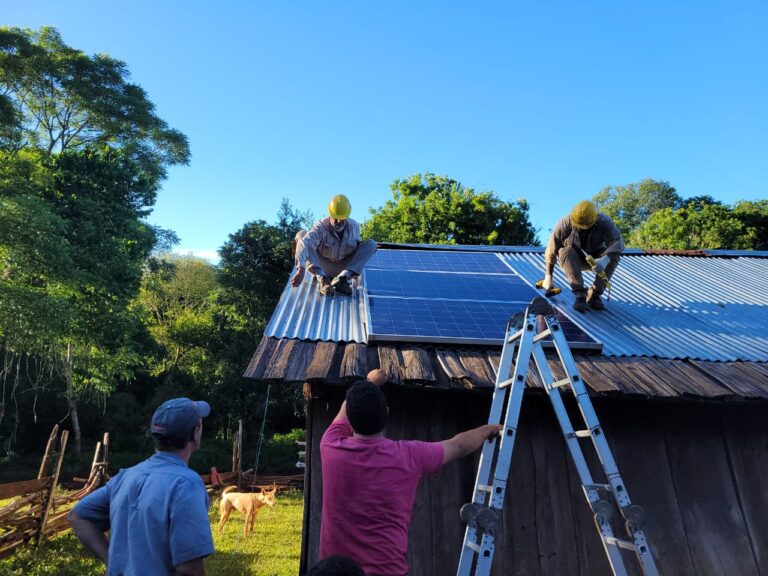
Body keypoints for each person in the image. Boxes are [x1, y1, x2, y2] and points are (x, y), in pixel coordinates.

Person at [319, 380, 503, 576]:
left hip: (335, 572)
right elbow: (458, 446)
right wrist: (488, 429)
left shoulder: (330, 445)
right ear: (387, 414)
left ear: (350, 419)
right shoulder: (409, 455)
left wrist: (369, 382)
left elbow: (345, 407)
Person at [69, 398, 214, 576]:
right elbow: (188, 569)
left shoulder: (125, 476)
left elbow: (77, 515)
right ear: (195, 432)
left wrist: (111, 560)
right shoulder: (186, 484)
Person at [542, 200, 625, 312]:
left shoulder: (604, 222)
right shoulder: (564, 224)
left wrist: (605, 260)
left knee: (614, 255)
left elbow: (618, 242)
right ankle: (580, 294)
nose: (581, 228)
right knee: (565, 251)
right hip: (572, 260)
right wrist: (548, 276)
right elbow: (551, 250)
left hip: (597, 259)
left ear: (595, 220)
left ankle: (594, 295)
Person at [290, 194, 377, 297]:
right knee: (301, 236)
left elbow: (358, 251)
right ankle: (323, 281)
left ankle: (342, 280)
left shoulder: (354, 227)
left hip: (343, 267)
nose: (339, 222)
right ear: (330, 214)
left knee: (371, 244)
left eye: (342, 218)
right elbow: (305, 243)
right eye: (336, 218)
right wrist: (301, 269)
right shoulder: (321, 227)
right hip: (322, 266)